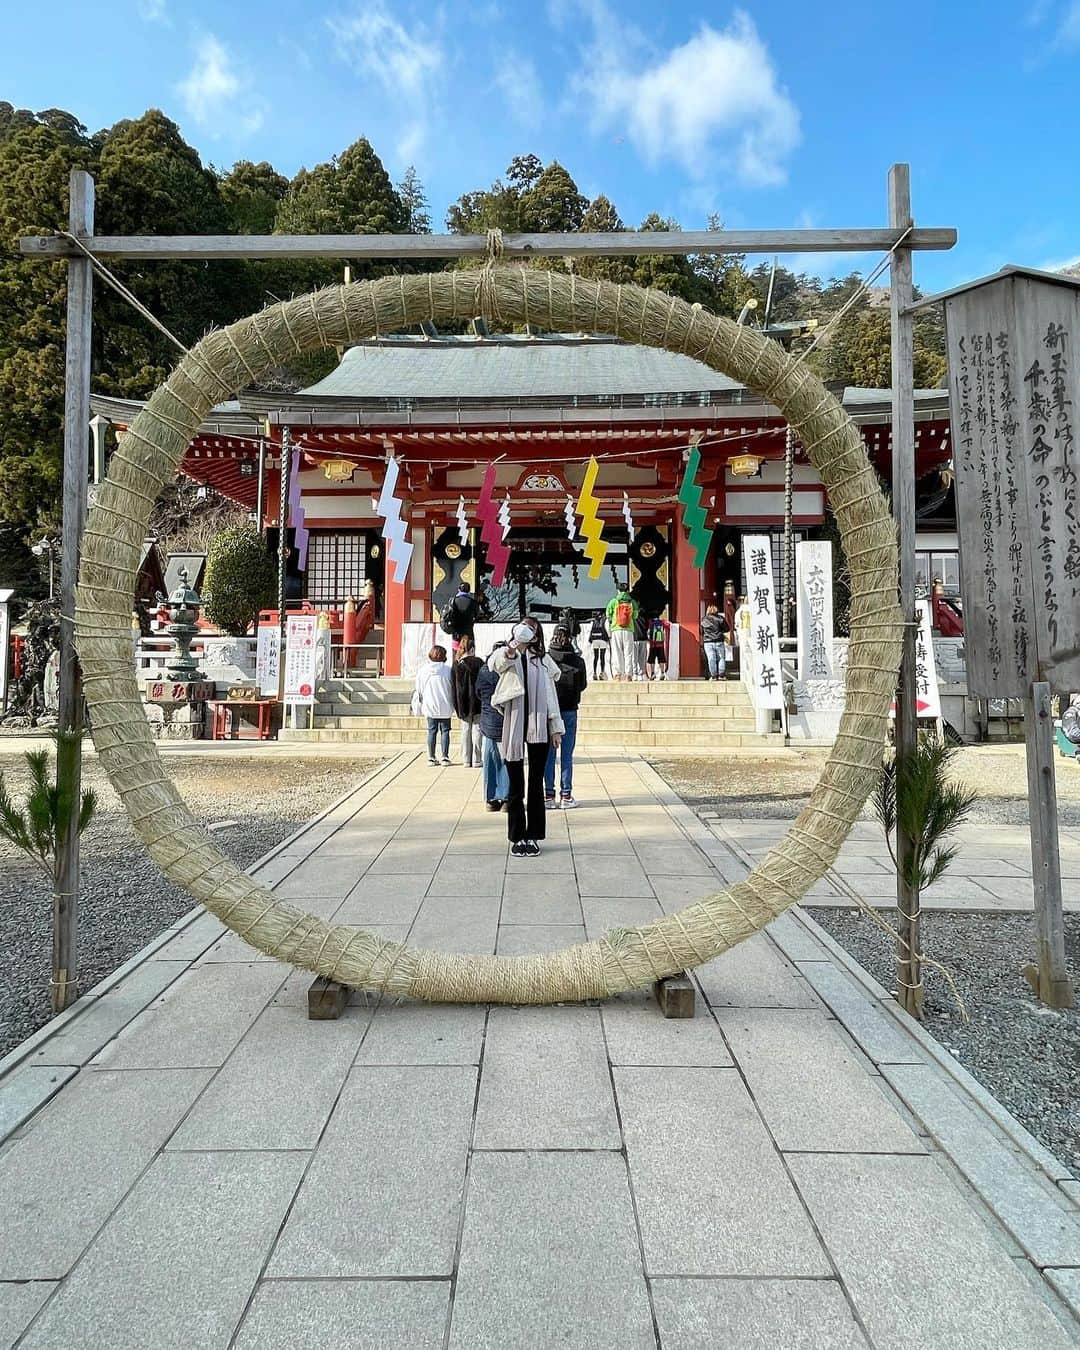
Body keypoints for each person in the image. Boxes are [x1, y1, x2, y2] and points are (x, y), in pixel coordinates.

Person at [490, 617, 564, 857]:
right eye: (524, 626)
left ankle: (533, 835)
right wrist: (512, 649)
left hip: (539, 724)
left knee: (535, 783)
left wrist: (555, 727)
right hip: (514, 723)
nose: (526, 631)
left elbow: (551, 696)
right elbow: (494, 664)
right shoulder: (508, 653)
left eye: (531, 629)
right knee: (515, 785)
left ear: (537, 634)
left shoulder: (542, 660)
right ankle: (516, 836)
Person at [545, 627, 587, 808]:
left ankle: (548, 795)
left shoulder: (546, 659)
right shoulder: (578, 661)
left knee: (549, 754)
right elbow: (583, 685)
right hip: (570, 709)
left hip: (549, 711)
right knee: (567, 754)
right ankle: (566, 794)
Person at [476, 642, 510, 811]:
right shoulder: (509, 671)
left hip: (488, 721)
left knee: (489, 761)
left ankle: (490, 799)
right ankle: (505, 798)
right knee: (507, 761)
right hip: (507, 721)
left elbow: (478, 692)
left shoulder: (484, 671)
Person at [413, 644, 454, 765]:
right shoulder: (448, 670)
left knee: (432, 731)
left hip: (430, 704)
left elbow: (419, 689)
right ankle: (445, 756)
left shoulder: (423, 671)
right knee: (445, 731)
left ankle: (431, 756)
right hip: (445, 704)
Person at [451, 635, 484, 767]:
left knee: (465, 729)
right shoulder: (480, 662)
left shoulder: (457, 665)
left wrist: (456, 705)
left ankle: (466, 759)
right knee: (477, 729)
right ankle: (477, 759)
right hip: (477, 701)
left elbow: (453, 687)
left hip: (462, 702)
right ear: (472, 648)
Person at [606, 587, 638, 681]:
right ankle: (628, 674)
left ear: (618, 590)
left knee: (617, 652)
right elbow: (635, 616)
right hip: (628, 629)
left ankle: (618, 674)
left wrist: (613, 620)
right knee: (628, 653)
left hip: (616, 629)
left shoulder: (613, 601)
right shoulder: (632, 602)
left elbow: (608, 614)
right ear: (628, 591)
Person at [443, 580, 477, 654]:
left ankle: (456, 664)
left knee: (456, 654)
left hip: (456, 632)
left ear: (459, 589)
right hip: (468, 632)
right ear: (469, 591)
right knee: (469, 654)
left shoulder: (453, 601)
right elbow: (476, 615)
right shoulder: (473, 602)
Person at [702, 603, 729, 681]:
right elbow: (727, 628)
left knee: (711, 658)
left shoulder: (704, 619)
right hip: (719, 640)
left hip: (708, 642)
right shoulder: (720, 618)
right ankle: (721, 675)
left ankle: (713, 676)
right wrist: (720, 631)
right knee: (721, 658)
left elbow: (701, 631)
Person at [645, 613, 671, 680]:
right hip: (661, 644)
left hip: (652, 645)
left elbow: (646, 629)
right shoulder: (662, 621)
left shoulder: (650, 622)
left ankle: (653, 674)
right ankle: (662, 673)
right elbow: (668, 625)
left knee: (652, 660)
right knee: (661, 659)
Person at [588, 609, 609, 679]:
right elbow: (606, 629)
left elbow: (591, 630)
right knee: (602, 657)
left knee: (596, 657)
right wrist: (608, 638)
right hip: (602, 639)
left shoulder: (594, 620)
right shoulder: (605, 620)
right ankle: (602, 673)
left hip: (595, 639)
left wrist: (590, 640)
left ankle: (594, 673)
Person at [632, 607, 649, 681]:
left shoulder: (632, 616)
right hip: (643, 638)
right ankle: (642, 674)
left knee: (634, 658)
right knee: (642, 658)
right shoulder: (645, 616)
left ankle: (635, 674)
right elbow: (647, 627)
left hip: (634, 638)